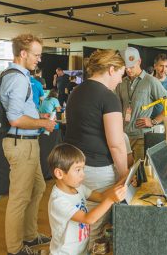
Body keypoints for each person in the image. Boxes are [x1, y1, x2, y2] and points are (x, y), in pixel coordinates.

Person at [64, 49, 129, 248]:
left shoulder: (76, 91)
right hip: (98, 171)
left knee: (78, 227)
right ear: (111, 70)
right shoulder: (108, 98)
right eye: (120, 74)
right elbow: (116, 144)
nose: (120, 80)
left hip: (74, 168)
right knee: (94, 230)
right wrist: (125, 173)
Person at [0, 33, 56, 255]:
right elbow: (15, 119)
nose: (39, 59)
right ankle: (15, 249)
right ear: (23, 54)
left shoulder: (19, 76)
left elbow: (20, 112)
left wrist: (38, 117)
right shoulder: (17, 78)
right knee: (19, 198)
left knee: (39, 186)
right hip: (20, 144)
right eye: (36, 55)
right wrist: (43, 122)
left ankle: (30, 236)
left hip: (28, 142)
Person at [47, 143, 127, 255]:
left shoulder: (78, 188)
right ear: (59, 173)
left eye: (83, 169)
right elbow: (88, 219)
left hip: (81, 250)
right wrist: (111, 199)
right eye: (78, 170)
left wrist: (122, 183)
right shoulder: (59, 201)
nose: (83, 175)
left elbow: (101, 196)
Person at [115, 47, 167, 161]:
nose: (128, 70)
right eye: (125, 67)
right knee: (126, 174)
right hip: (123, 138)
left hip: (141, 138)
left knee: (140, 174)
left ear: (139, 61)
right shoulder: (121, 82)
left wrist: (154, 121)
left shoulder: (150, 81)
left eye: (131, 67)